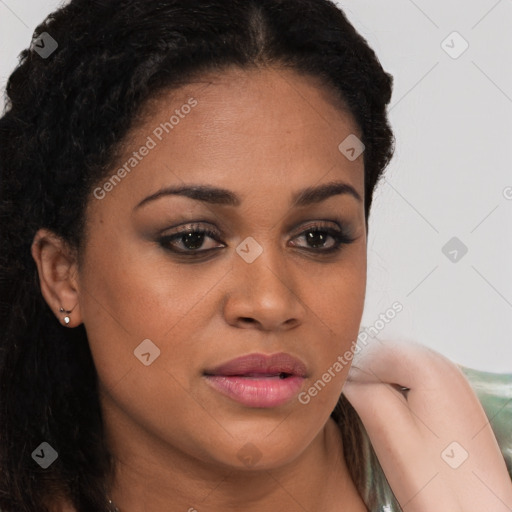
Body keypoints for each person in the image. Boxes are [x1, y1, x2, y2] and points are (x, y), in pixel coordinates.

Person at [0, 1, 510, 511]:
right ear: (63, 274)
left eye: (317, 237)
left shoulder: (487, 452)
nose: (269, 302)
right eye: (193, 239)